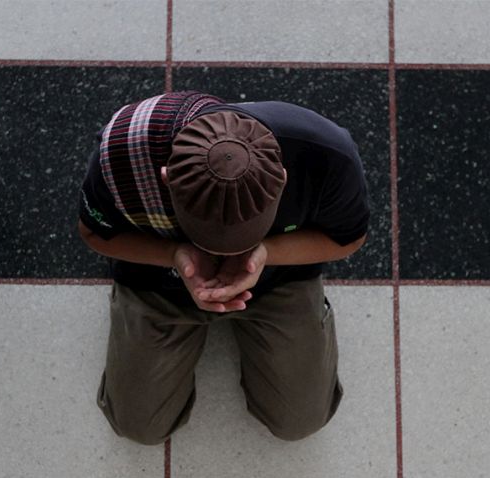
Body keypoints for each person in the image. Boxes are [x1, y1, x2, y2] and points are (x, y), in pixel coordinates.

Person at [78, 91, 369, 445]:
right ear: (168, 179)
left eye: (245, 232)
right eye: (207, 235)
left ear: (281, 177)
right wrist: (174, 255)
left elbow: (348, 238)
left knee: (300, 422)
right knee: (137, 426)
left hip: (276, 274)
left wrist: (264, 254)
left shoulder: (326, 155)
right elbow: (95, 232)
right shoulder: (123, 153)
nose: (222, 252)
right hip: (161, 276)